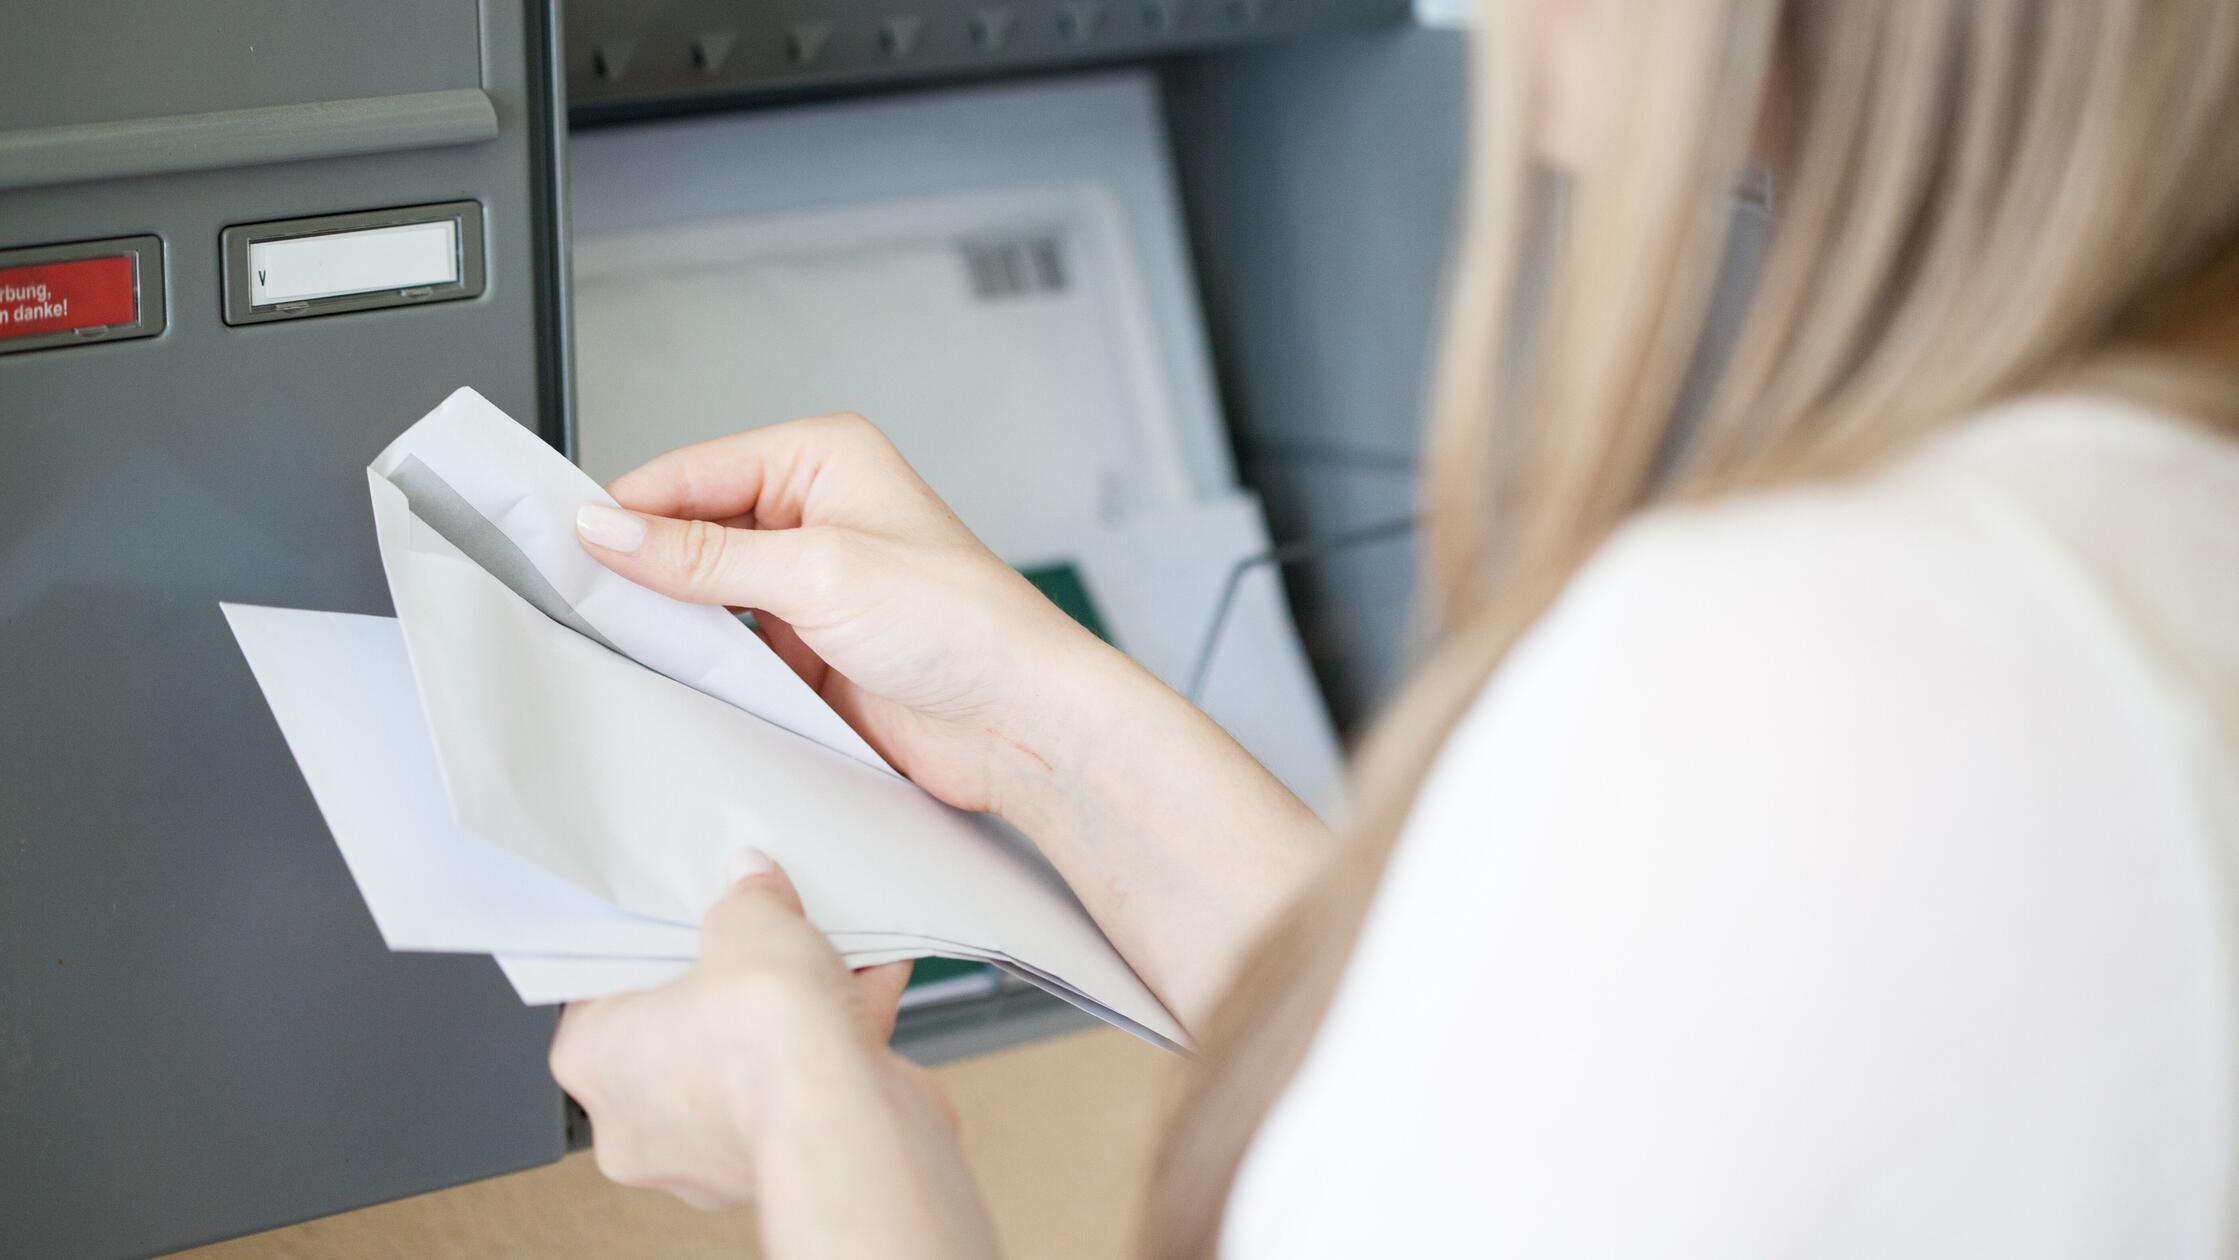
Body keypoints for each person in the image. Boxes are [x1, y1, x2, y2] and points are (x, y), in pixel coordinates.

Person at [549, 0, 2239, 1254]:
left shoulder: (1817, 651)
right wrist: (1033, 729)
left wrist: (814, 1117)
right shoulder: (2125, 524)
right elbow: (1548, 1094)